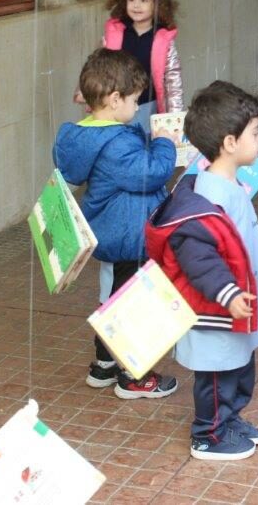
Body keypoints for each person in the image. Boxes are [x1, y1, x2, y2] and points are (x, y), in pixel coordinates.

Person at [146, 81, 258, 461]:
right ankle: (208, 434)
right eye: (255, 133)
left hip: (236, 306)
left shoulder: (225, 183)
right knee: (216, 373)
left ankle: (229, 419)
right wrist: (228, 293)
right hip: (216, 310)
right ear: (229, 143)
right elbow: (199, 258)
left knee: (238, 366)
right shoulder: (204, 201)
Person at [53, 49, 179, 398]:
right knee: (133, 305)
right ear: (114, 99)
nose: (137, 108)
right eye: (135, 100)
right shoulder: (117, 140)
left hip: (112, 229)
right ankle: (133, 377)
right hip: (131, 233)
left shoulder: (86, 133)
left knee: (114, 297)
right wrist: (165, 144)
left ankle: (103, 363)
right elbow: (149, 174)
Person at [100, 0, 185, 132]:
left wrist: (175, 118)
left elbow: (173, 82)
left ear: (158, 4)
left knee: (144, 148)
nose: (136, 5)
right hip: (116, 108)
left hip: (149, 108)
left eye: (144, 0)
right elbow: (97, 66)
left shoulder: (163, 39)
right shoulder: (115, 33)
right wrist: (85, 93)